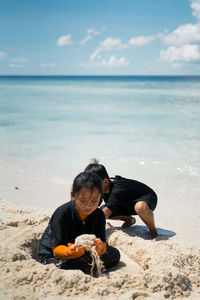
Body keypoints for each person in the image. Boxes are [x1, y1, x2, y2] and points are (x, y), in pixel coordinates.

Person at [37, 171, 120, 274]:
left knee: (114, 254)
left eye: (94, 201)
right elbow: (57, 250)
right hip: (54, 256)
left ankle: (87, 266)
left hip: (81, 253)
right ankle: (86, 267)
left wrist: (100, 248)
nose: (88, 206)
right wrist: (70, 252)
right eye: (83, 200)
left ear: (100, 197)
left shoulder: (99, 215)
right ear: (73, 196)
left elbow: (101, 242)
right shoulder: (63, 213)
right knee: (76, 263)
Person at [84, 159, 158, 239]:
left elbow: (106, 212)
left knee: (139, 207)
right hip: (126, 204)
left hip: (147, 198)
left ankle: (153, 231)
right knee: (98, 212)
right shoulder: (101, 187)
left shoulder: (118, 188)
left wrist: (88, 228)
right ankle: (129, 220)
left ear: (105, 182)